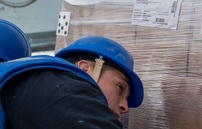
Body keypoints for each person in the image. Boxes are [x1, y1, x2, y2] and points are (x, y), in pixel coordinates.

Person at [0, 36, 143, 129]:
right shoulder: (61, 86)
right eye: (119, 87)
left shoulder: (25, 82)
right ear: (85, 68)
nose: (125, 107)